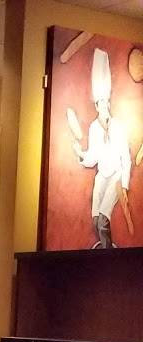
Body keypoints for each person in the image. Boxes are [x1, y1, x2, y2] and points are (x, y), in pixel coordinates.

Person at [73, 48, 133, 248]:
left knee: (103, 220)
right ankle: (104, 249)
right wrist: (80, 154)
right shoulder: (93, 128)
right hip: (102, 176)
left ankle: (108, 257)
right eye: (101, 103)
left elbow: (126, 158)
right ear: (97, 106)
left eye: (107, 102)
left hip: (116, 177)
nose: (105, 106)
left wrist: (124, 185)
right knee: (95, 218)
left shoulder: (119, 127)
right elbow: (92, 157)